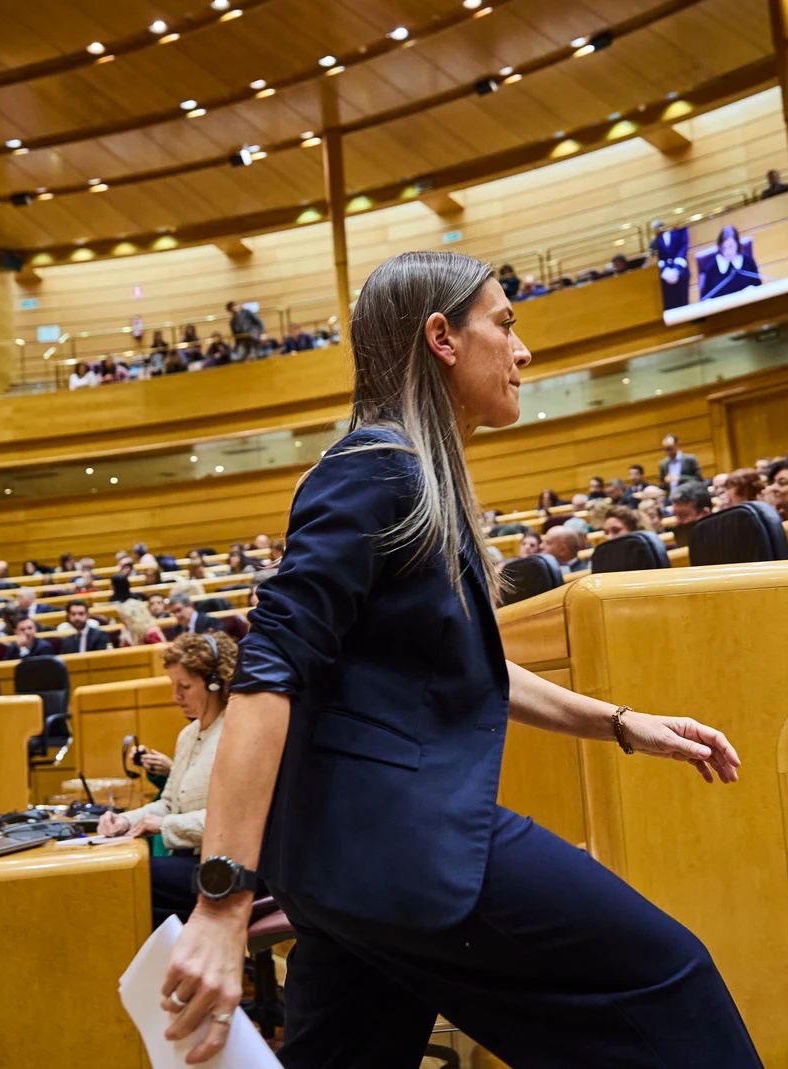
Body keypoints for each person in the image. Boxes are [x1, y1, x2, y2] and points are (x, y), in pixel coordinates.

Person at [158, 251, 751, 1066]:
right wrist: (221, 904)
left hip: (344, 871)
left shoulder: (409, 477)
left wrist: (620, 722)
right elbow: (269, 670)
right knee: (667, 980)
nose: (522, 349)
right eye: (504, 323)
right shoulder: (376, 471)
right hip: (402, 851)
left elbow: (473, 666)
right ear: (442, 337)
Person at [98, 632, 242, 924]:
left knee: (124, 881)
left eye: (184, 687)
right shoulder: (188, 735)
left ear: (215, 683)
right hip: (192, 861)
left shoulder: (237, 732)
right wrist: (126, 820)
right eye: (173, 686)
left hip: (229, 866)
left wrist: (163, 826)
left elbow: (234, 821)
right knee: (119, 885)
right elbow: (167, 804)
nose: (175, 696)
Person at [699, 224, 762, 300]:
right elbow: (705, 298)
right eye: (723, 248)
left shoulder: (748, 261)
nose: (727, 252)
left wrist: (752, 290)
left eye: (730, 246)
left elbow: (758, 286)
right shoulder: (711, 269)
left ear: (737, 244)